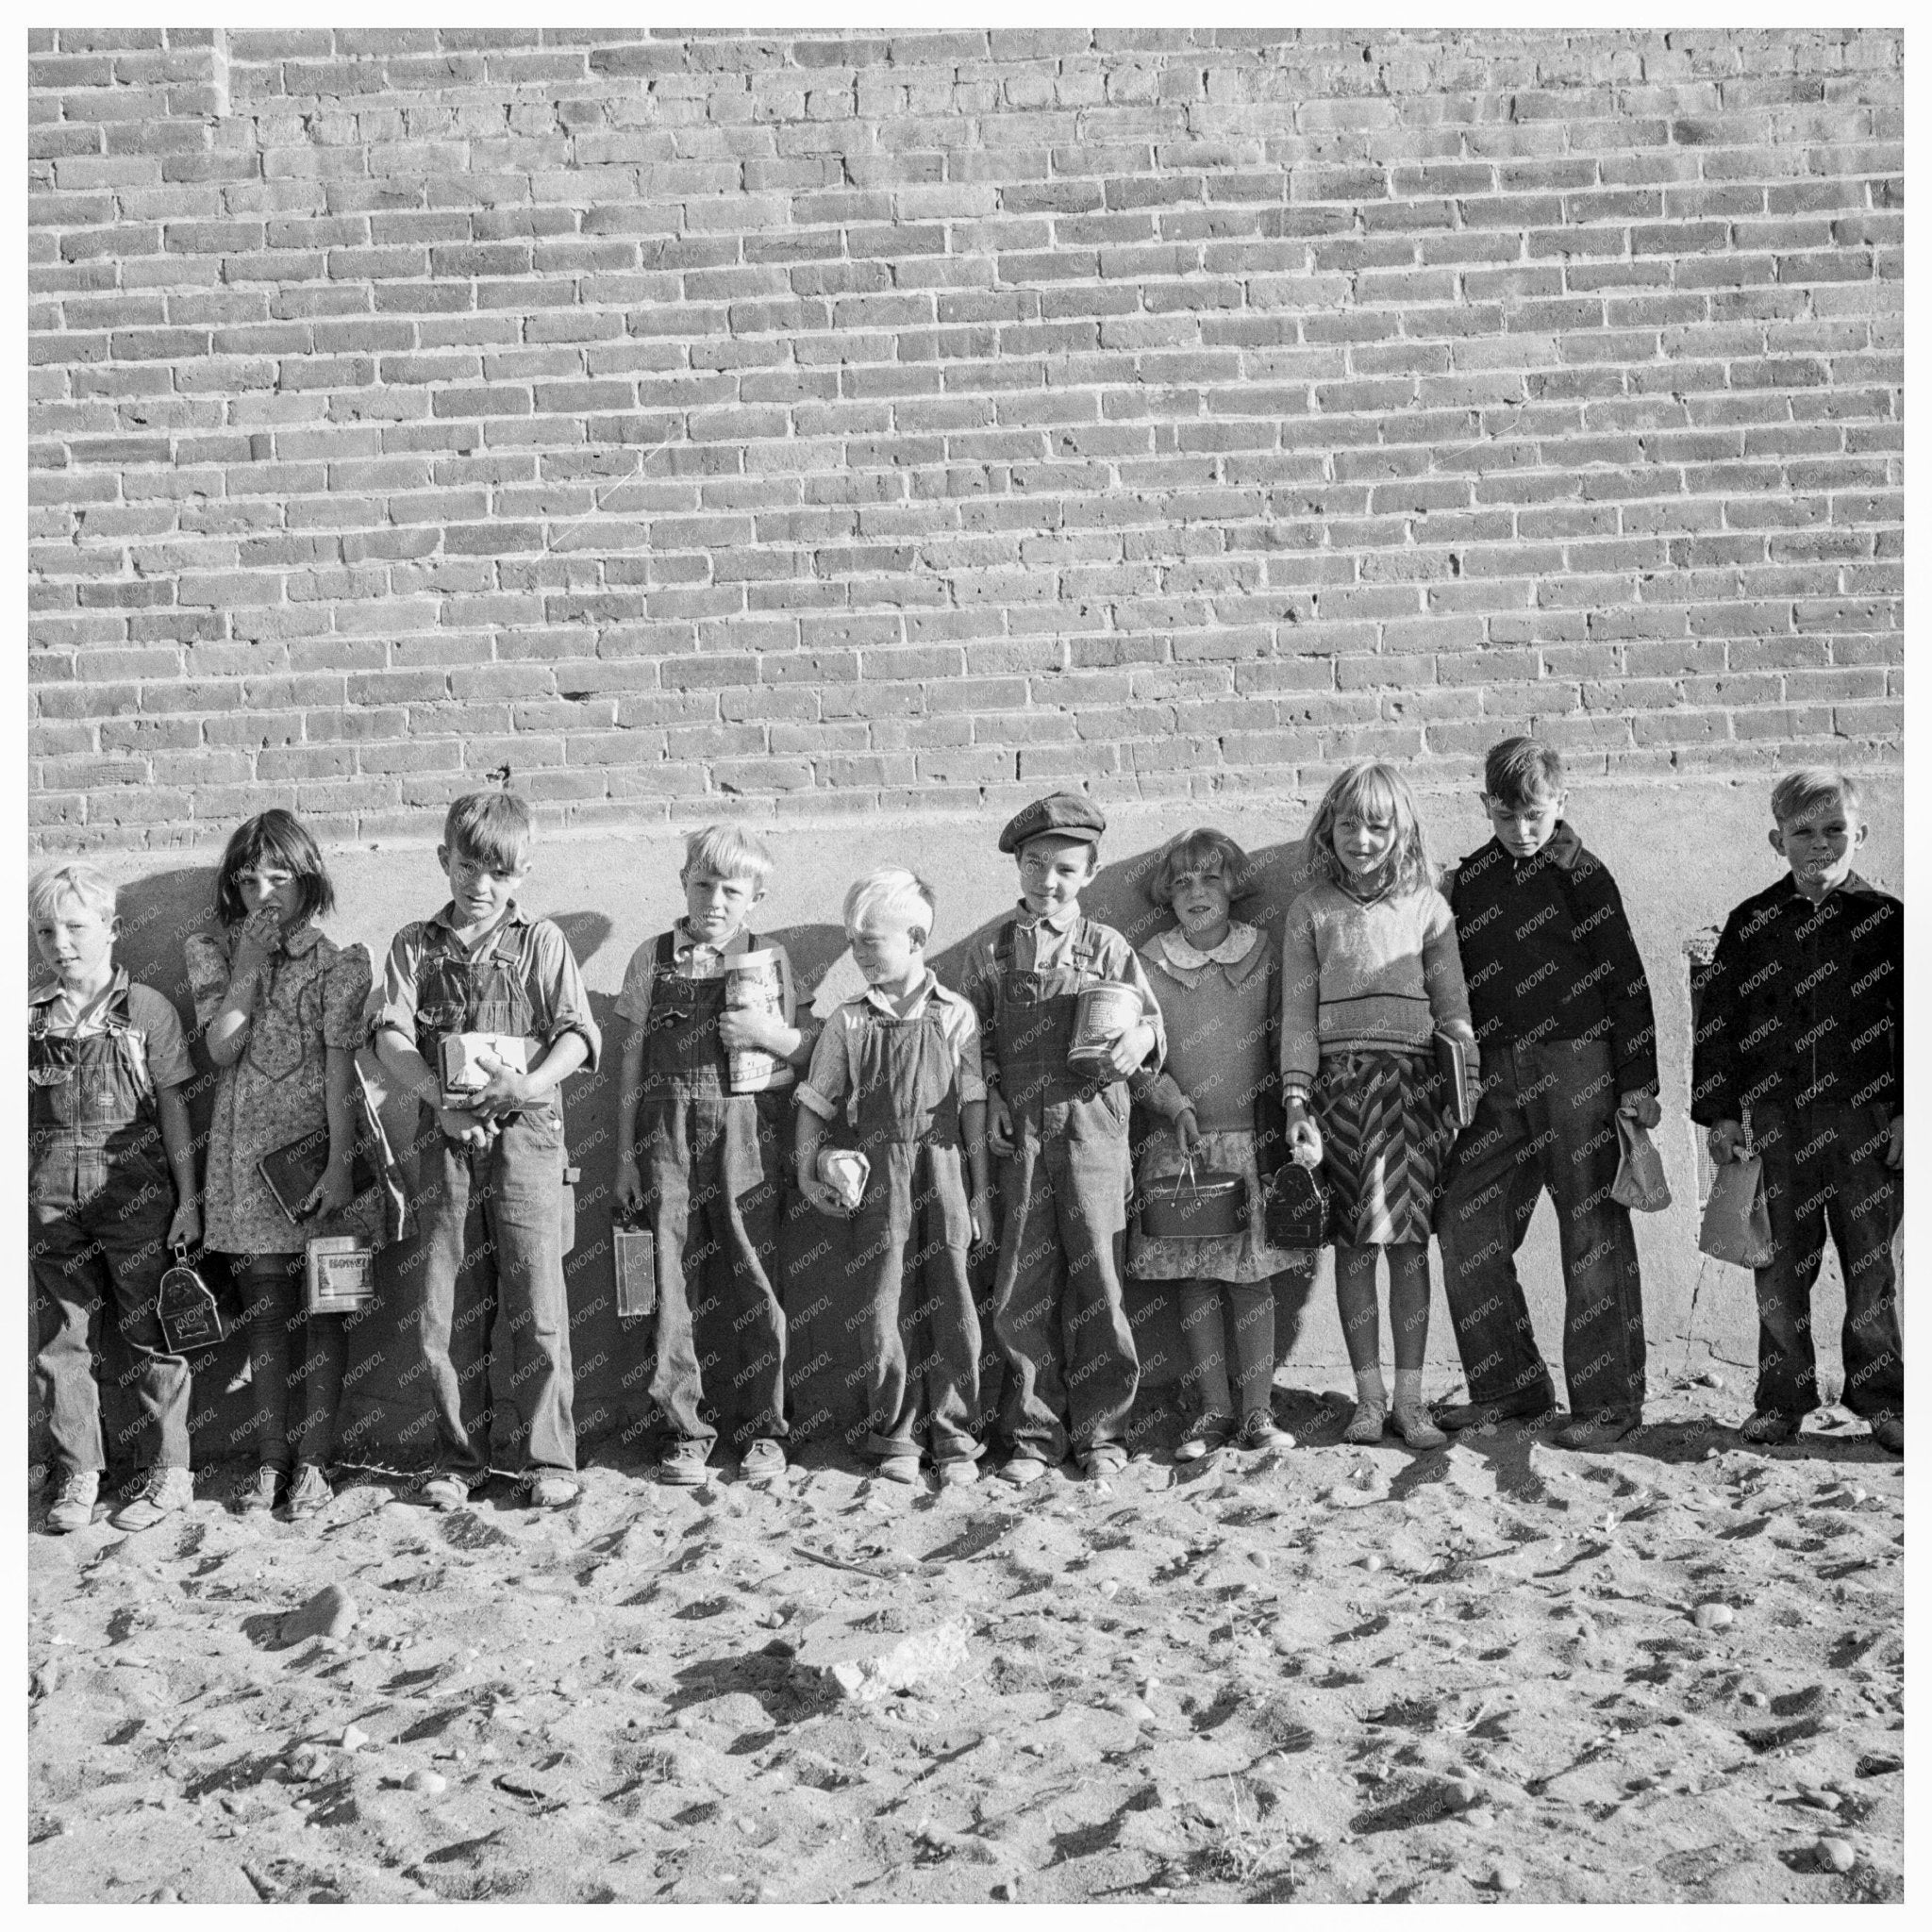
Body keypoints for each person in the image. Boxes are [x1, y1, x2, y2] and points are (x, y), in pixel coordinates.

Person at [1430, 739, 1662, 1450]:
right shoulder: (1467, 882)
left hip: (1579, 1069)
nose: (1522, 830)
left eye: (1534, 814)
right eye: (1506, 816)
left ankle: (1607, 1404)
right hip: (1496, 1072)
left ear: (1562, 802)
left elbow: (1626, 978)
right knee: (1464, 1215)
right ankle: (1509, 1387)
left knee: (1590, 1231)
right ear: (1485, 808)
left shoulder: (1584, 876)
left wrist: (1639, 1083)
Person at [372, 790, 600, 1510]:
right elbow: (391, 1039)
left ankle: (547, 1459)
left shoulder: (542, 942)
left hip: (528, 1137)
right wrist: (437, 1102)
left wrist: (526, 1084)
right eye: (468, 866)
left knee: (537, 1298)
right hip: (444, 1142)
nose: (481, 885)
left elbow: (578, 1035)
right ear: (445, 859)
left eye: (499, 873)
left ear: (523, 873)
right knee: (448, 1303)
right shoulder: (413, 945)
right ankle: (457, 1457)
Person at [1690, 769, 1903, 1455]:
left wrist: (1906, 1114)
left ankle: (1883, 1397)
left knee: (1870, 1265)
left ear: (1861, 833)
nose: (1820, 844)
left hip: (1864, 1121)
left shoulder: (1890, 923)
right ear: (1776, 840)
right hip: (1776, 1124)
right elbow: (1718, 1022)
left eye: (1835, 829)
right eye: (1803, 832)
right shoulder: (1753, 924)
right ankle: (1782, 1398)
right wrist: (1721, 1114)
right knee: (1779, 1268)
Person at [961, 791, 1166, 1485]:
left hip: (1092, 1128)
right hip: (1019, 1131)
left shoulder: (1108, 946)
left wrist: (1138, 1037)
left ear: (1092, 872)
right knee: (1023, 1279)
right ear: (1017, 866)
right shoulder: (990, 949)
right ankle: (1030, 1435)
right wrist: (989, 1094)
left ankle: (1103, 1432)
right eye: (1034, 865)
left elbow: (1152, 1030)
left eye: (1065, 870)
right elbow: (972, 1038)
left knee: (1099, 1280)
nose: (1048, 882)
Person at [185, 810, 380, 1523]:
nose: (263, 892)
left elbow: (338, 1076)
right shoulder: (212, 951)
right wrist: (247, 967)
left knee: (327, 1311)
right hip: (245, 1166)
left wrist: (336, 1165)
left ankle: (316, 1463)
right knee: (266, 1315)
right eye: (248, 878)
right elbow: (222, 1050)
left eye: (280, 877)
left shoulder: (338, 962)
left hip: (316, 1163)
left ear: (309, 881)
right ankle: (270, 1458)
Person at [1280, 760, 1477, 1451]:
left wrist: (1463, 1081)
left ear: (1402, 832)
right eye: (1347, 823)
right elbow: (1297, 1016)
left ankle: (1412, 1400)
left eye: (1377, 825)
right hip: (1338, 1094)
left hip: (1414, 1094)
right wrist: (1297, 1099)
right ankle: (1367, 1400)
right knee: (1355, 1249)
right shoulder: (1309, 909)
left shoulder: (1429, 905)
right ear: (1327, 827)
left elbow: (1453, 1008)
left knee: (1410, 1248)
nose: (1360, 838)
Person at [612, 824, 806, 1486]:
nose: (715, 901)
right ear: (683, 884)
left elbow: (802, 1051)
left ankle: (764, 1430)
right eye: (703, 885)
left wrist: (765, 1032)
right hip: (663, 1135)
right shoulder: (652, 956)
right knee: (667, 1281)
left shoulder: (768, 957)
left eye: (732, 890)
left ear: (757, 896)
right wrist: (623, 1157)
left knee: (753, 1273)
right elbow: (631, 1059)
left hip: (745, 1132)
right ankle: (684, 1429)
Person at [795, 868, 992, 1485]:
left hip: (945, 1167)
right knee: (884, 1307)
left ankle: (957, 1436)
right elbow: (816, 1100)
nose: (857, 954)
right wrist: (809, 1166)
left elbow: (977, 1104)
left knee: (955, 1301)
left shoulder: (956, 1014)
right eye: (852, 941)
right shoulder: (848, 1021)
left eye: (869, 941)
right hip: (881, 1174)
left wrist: (982, 1189)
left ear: (916, 938)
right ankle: (897, 1435)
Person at [30, 863, 202, 1533]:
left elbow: (175, 1109)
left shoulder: (146, 1010)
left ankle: (170, 1473)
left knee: (149, 1332)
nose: (60, 942)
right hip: (49, 1203)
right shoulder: (30, 1018)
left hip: (137, 1197)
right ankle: (79, 1476)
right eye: (46, 931)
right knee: (61, 1343)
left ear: (110, 928)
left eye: (75, 927)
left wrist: (188, 1200)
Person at [1127, 828, 1300, 1461]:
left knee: (1251, 1279)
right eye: (1181, 882)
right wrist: (1171, 1103)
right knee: (1196, 1278)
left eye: (1209, 877)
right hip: (1184, 1147)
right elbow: (1134, 1056)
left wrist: (1290, 1109)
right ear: (1166, 897)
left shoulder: (1265, 954)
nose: (1196, 891)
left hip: (1254, 1143)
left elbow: (1291, 1035)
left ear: (1235, 886)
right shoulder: (1148, 961)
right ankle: (1213, 1411)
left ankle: (1258, 1409)